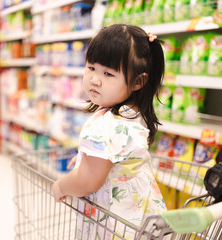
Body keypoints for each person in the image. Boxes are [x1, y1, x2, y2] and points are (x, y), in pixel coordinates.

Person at [52, 24, 167, 239]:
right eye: (91, 67)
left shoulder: (103, 126)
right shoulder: (133, 114)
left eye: (108, 73)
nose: (95, 79)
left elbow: (87, 182)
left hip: (110, 226)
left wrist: (61, 185)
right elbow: (117, 153)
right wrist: (85, 158)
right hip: (139, 220)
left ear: (138, 82)